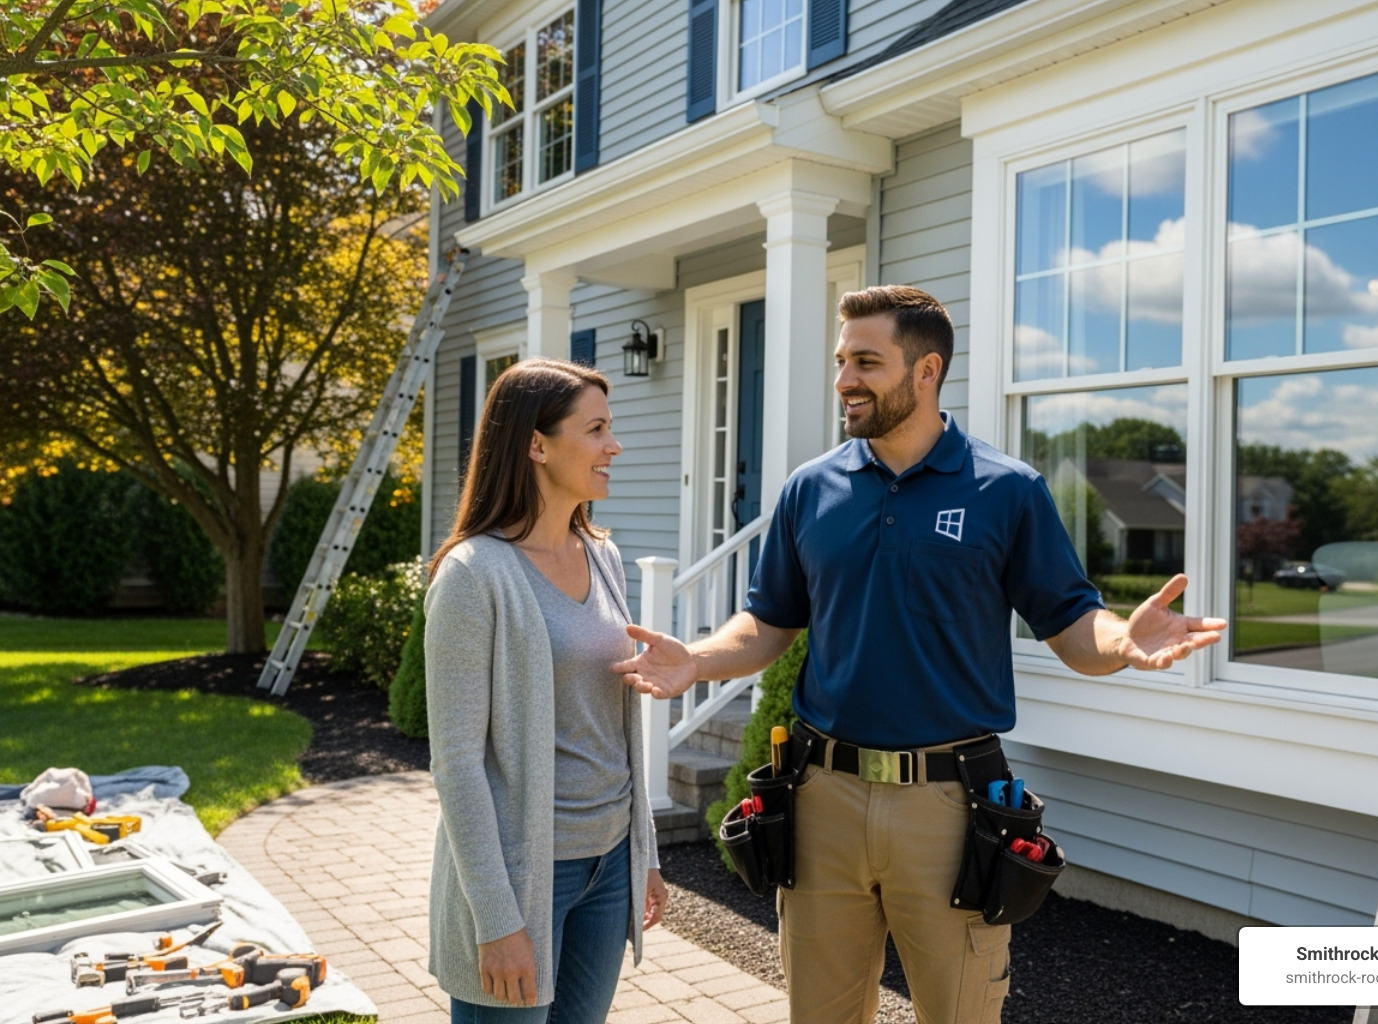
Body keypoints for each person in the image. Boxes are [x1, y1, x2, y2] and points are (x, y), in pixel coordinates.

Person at [612, 286, 1226, 1024]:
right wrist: (699, 661)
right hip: (821, 799)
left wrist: (1122, 641)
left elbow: (1071, 626)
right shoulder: (810, 490)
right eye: (842, 361)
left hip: (949, 806)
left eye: (866, 361)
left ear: (926, 369)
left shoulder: (1008, 491)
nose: (844, 379)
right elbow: (770, 624)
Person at [424, 358, 667, 1024]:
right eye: (596, 430)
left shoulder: (604, 557)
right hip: (524, 874)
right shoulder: (474, 575)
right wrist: (496, 918)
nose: (613, 446)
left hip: (609, 864)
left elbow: (618, 726)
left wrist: (640, 852)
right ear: (537, 444)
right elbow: (457, 764)